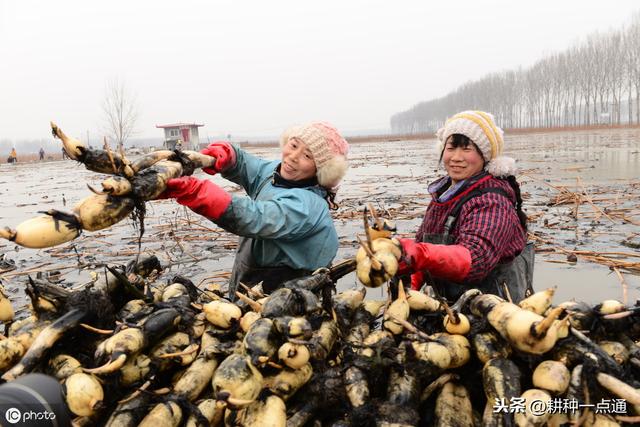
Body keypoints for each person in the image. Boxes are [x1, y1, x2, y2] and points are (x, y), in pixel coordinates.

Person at [161, 122, 349, 299]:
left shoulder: (308, 205)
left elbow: (254, 218)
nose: (293, 157)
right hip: (251, 281)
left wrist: (196, 192)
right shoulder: (275, 174)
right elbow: (248, 166)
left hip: (288, 296)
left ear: (322, 170)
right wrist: (229, 156)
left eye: (307, 156)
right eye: (293, 145)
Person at [397, 111, 532, 303]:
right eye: (451, 148)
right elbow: (421, 243)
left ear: (484, 155)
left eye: (467, 149)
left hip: (493, 309)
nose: (456, 157)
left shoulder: (492, 200)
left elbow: (477, 258)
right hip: (449, 305)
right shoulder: (443, 195)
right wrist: (413, 272)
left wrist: (421, 255)